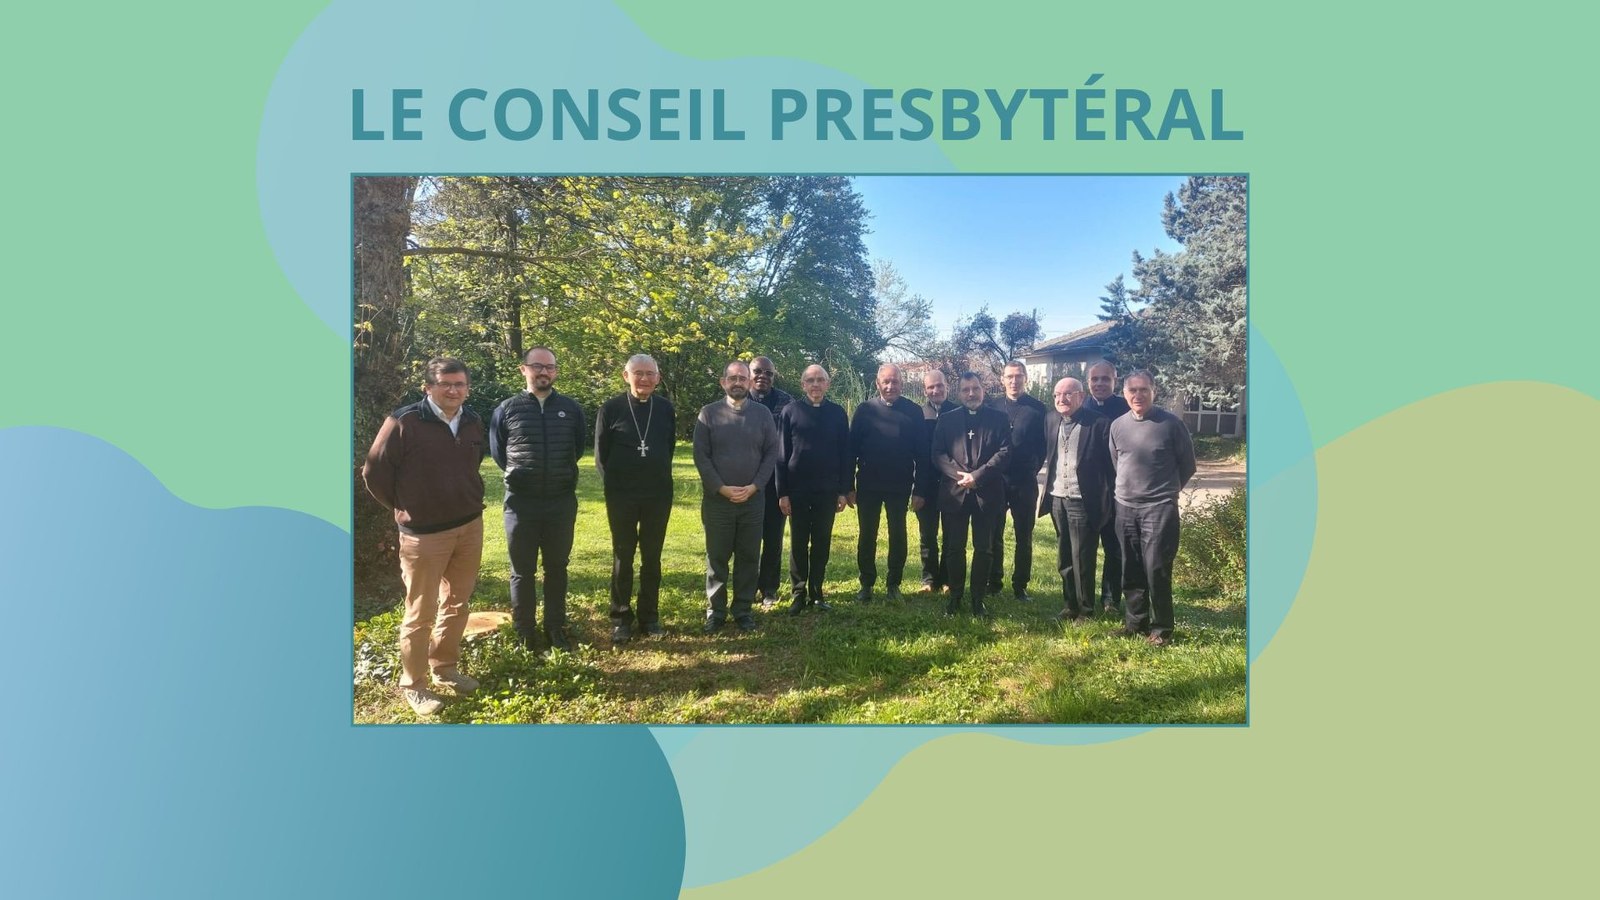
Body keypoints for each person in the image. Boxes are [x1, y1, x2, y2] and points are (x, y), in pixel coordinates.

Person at [361, 358, 486, 717]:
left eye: (460, 384)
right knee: (420, 613)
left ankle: (444, 668)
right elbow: (373, 472)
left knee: (457, 603)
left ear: (467, 388)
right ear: (428, 387)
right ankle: (414, 686)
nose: (453, 390)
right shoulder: (404, 422)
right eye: (445, 383)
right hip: (423, 536)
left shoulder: (472, 420)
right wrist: (406, 506)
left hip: (468, 526)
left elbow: (471, 465)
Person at [490, 346, 585, 653]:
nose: (544, 372)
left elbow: (577, 448)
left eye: (550, 367)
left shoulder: (571, 409)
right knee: (522, 570)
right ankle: (524, 632)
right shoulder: (507, 409)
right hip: (521, 503)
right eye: (537, 366)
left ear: (555, 372)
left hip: (560, 501)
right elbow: (499, 453)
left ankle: (555, 628)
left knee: (557, 568)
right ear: (524, 369)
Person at [1108, 370, 1197, 646]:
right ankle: (1135, 623)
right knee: (1130, 567)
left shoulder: (1171, 424)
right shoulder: (1117, 426)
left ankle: (1161, 629)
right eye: (1132, 390)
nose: (1138, 395)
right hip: (1125, 507)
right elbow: (1117, 462)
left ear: (1153, 391)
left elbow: (1188, 465)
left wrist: (1165, 492)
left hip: (1159, 508)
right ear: (1124, 394)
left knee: (1156, 569)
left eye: (1144, 389)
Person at [693, 360, 780, 633]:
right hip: (718, 501)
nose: (738, 382)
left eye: (743, 378)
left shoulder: (763, 414)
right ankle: (715, 612)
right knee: (717, 558)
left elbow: (771, 453)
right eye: (733, 378)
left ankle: (743, 610)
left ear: (749, 382)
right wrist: (721, 488)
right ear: (723, 382)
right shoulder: (708, 414)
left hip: (753, 500)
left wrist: (755, 486)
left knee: (748, 557)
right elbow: (701, 456)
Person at [595, 354, 676, 645]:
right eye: (638, 373)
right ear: (625, 375)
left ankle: (649, 617)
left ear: (658, 378)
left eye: (650, 373)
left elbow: (668, 448)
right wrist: (617, 488)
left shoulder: (665, 408)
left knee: (652, 557)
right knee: (623, 555)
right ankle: (620, 618)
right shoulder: (611, 408)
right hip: (621, 496)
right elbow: (601, 455)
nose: (644, 379)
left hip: (658, 494)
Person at [931, 372, 1012, 617]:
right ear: (959, 393)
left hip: (987, 493)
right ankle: (955, 596)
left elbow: (1005, 452)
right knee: (954, 548)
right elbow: (937, 454)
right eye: (966, 390)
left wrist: (977, 476)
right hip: (954, 493)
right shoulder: (947, 419)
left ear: (982, 390)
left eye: (975, 389)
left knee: (984, 548)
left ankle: (978, 599)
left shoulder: (999, 419)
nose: (971, 394)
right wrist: (961, 477)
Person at [847, 363, 928, 602]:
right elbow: (850, 452)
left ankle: (894, 584)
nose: (890, 386)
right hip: (868, 485)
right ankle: (866, 584)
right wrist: (848, 486)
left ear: (902, 384)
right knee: (867, 534)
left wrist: (920, 489)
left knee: (898, 534)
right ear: (878, 384)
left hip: (899, 485)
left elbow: (923, 454)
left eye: (895, 382)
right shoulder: (864, 410)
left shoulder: (913, 411)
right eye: (886, 381)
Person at [1036, 377, 1113, 624]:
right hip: (1057, 497)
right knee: (1064, 556)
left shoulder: (1099, 423)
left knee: (1082, 558)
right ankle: (1069, 605)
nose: (1062, 399)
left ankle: (1086, 610)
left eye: (1068, 394)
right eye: (1057, 394)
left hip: (1083, 500)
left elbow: (1110, 466)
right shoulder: (1050, 419)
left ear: (1081, 396)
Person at [776, 365, 851, 615]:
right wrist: (782, 493)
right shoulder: (790, 412)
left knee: (821, 541)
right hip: (797, 489)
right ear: (803, 384)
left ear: (827, 384)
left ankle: (817, 591)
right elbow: (781, 455)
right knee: (798, 542)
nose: (815, 384)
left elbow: (845, 454)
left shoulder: (837, 413)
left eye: (820, 380)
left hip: (827, 490)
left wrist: (843, 490)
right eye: (810, 380)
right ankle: (798, 593)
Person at [987, 361, 1049, 602]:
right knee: (994, 532)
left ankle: (1020, 586)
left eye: (1019, 376)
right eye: (1009, 376)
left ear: (1026, 378)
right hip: (997, 479)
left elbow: (1043, 446)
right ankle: (994, 582)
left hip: (1024, 481)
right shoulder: (992, 406)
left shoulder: (1038, 408)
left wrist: (1032, 467)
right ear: (1002, 379)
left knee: (1024, 536)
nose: (1014, 381)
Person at [1084, 360, 1131, 616]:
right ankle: (1084, 597)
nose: (1100, 383)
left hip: (1117, 490)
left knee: (1114, 548)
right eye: (1095, 379)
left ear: (1115, 381)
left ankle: (1110, 599)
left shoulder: (1126, 409)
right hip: (1086, 491)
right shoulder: (1080, 406)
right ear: (1088, 382)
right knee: (1085, 548)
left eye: (1105, 379)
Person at [749, 356, 793, 609]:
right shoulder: (740, 399)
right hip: (746, 480)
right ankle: (747, 585)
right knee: (748, 537)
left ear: (774, 377)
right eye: (757, 371)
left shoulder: (786, 402)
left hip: (776, 480)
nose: (762, 376)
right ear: (750, 373)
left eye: (768, 373)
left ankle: (769, 588)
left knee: (773, 537)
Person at [915, 369, 959, 594]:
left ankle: (948, 578)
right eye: (930, 387)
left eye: (939, 385)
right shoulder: (919, 414)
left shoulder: (958, 412)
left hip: (953, 483)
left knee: (951, 534)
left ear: (947, 386)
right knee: (928, 534)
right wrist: (917, 489)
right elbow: (916, 454)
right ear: (925, 390)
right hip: (927, 484)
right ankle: (929, 579)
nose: (935, 390)